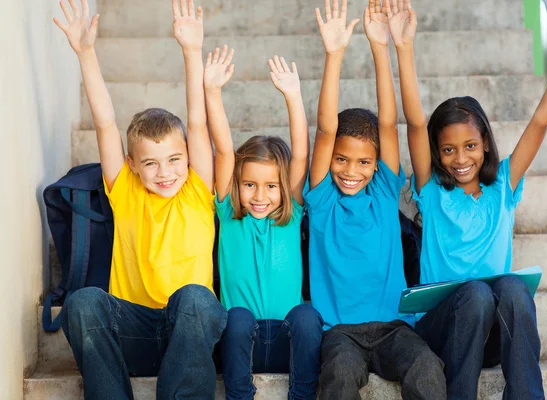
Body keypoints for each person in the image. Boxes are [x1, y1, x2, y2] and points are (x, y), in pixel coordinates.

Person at [395, 0, 547, 397]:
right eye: (449, 150)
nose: (460, 158)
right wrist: (403, 49)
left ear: (485, 144)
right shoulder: (432, 193)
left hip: (492, 336)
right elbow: (416, 123)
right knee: (473, 292)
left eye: (470, 145)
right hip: (442, 330)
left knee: (511, 289)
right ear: (437, 154)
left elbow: (541, 120)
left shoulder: (502, 187)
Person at [54, 0, 227, 398]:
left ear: (187, 157)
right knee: (82, 303)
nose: (165, 172)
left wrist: (191, 51)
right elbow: (105, 122)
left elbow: (197, 123)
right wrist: (85, 52)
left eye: (174, 160)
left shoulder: (198, 191)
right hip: (132, 331)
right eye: (151, 163)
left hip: (188, 334)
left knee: (198, 299)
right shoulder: (126, 191)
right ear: (132, 164)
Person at [303, 1, 446, 399]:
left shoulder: (384, 191)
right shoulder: (322, 201)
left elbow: (388, 122)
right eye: (342, 160)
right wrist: (335, 56)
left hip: (394, 328)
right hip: (340, 333)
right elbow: (325, 128)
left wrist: (381, 49)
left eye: (364, 161)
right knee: (339, 375)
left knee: (427, 367)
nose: (352, 170)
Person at [203, 47, 323, 399]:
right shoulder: (229, 213)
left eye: (271, 186)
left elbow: (301, 154)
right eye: (249, 185)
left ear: (284, 188)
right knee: (237, 317)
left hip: (287, 339)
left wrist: (293, 95)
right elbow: (224, 150)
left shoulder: (291, 214)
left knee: (306, 315)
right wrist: (212, 91)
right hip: (241, 342)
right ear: (236, 186)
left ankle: (302, 394)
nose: (259, 195)